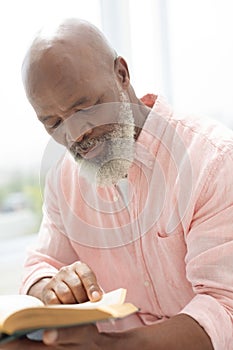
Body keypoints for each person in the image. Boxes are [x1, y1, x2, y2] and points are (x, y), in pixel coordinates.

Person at [16, 17, 233, 349]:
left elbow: (224, 309)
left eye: (84, 107)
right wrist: (51, 287)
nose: (75, 135)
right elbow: (40, 265)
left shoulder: (214, 161)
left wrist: (106, 347)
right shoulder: (63, 179)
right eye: (53, 122)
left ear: (121, 75)